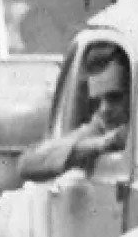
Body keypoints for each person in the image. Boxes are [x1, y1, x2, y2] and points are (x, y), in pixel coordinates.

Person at [17, 51, 129, 182]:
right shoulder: (100, 128)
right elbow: (28, 162)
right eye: (97, 102)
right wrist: (102, 143)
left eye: (115, 98)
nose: (104, 109)